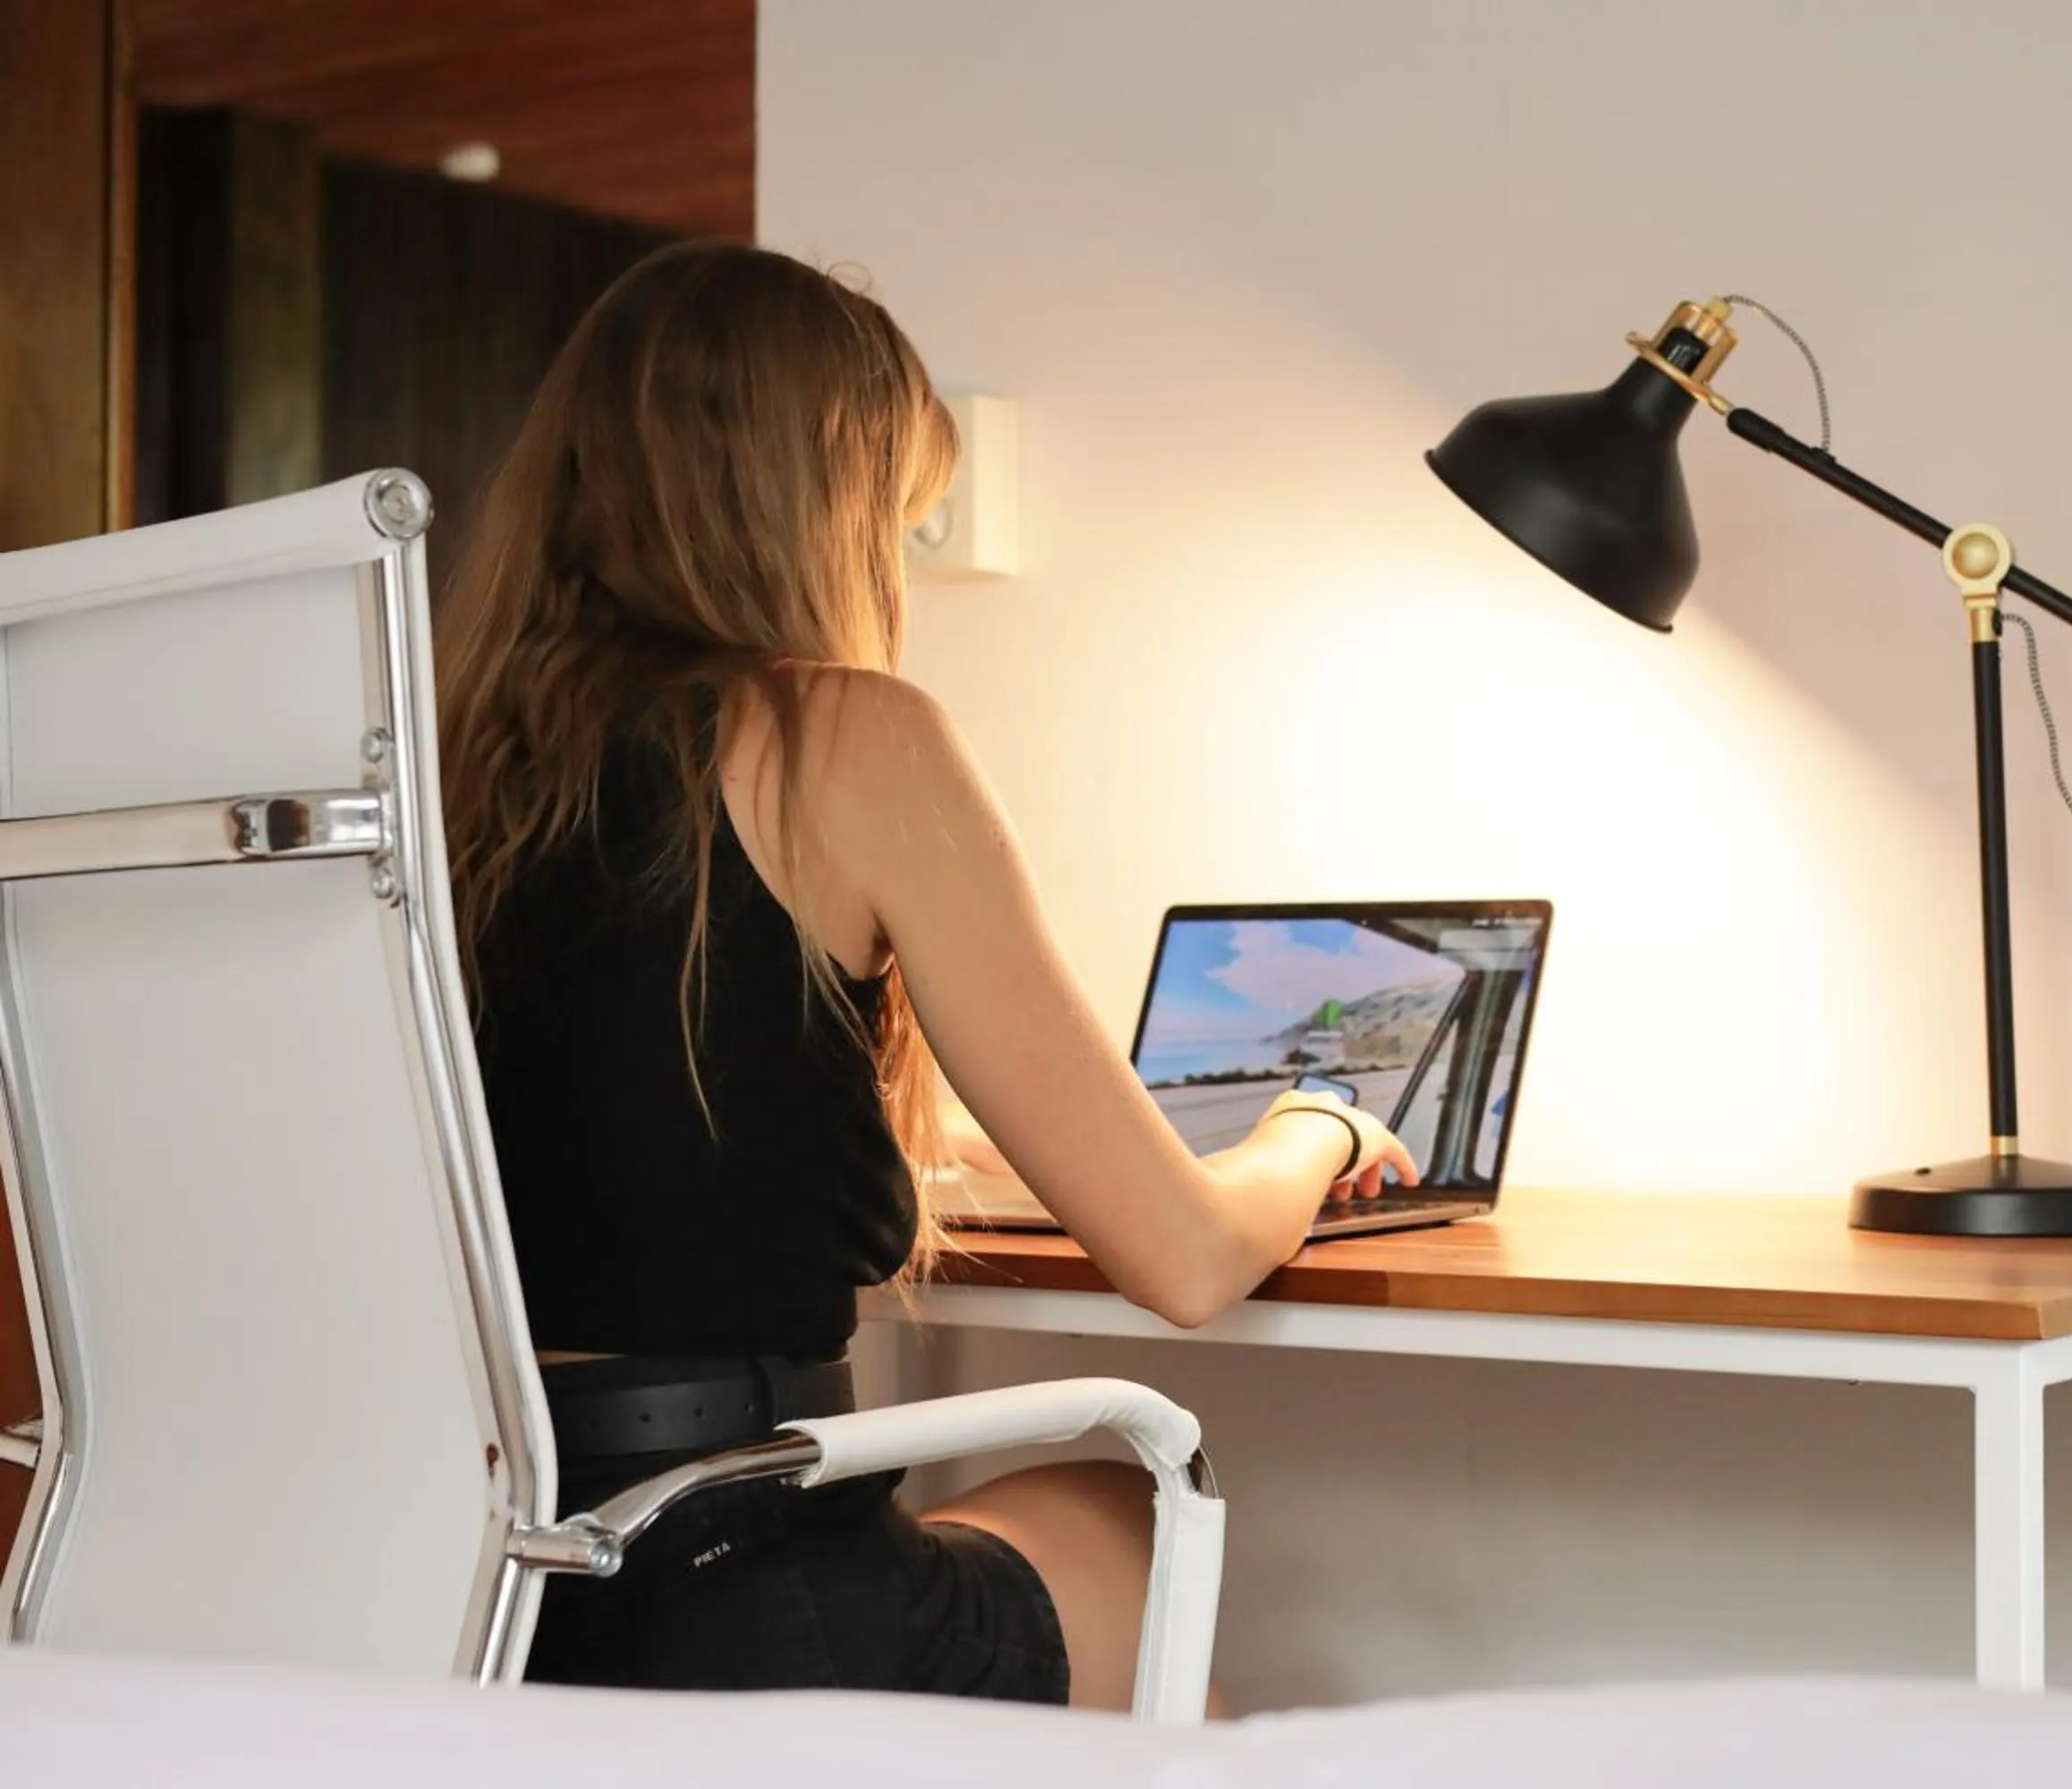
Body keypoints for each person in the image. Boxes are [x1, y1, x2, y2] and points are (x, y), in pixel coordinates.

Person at [438, 241, 1417, 1709]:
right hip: (726, 1605)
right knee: (1127, 1519)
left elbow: (620, 1121)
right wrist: (1319, 1123)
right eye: (890, 516)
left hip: (471, 1594)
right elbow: (1188, 1260)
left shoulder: (445, 777)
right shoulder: (843, 734)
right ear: (822, 491)